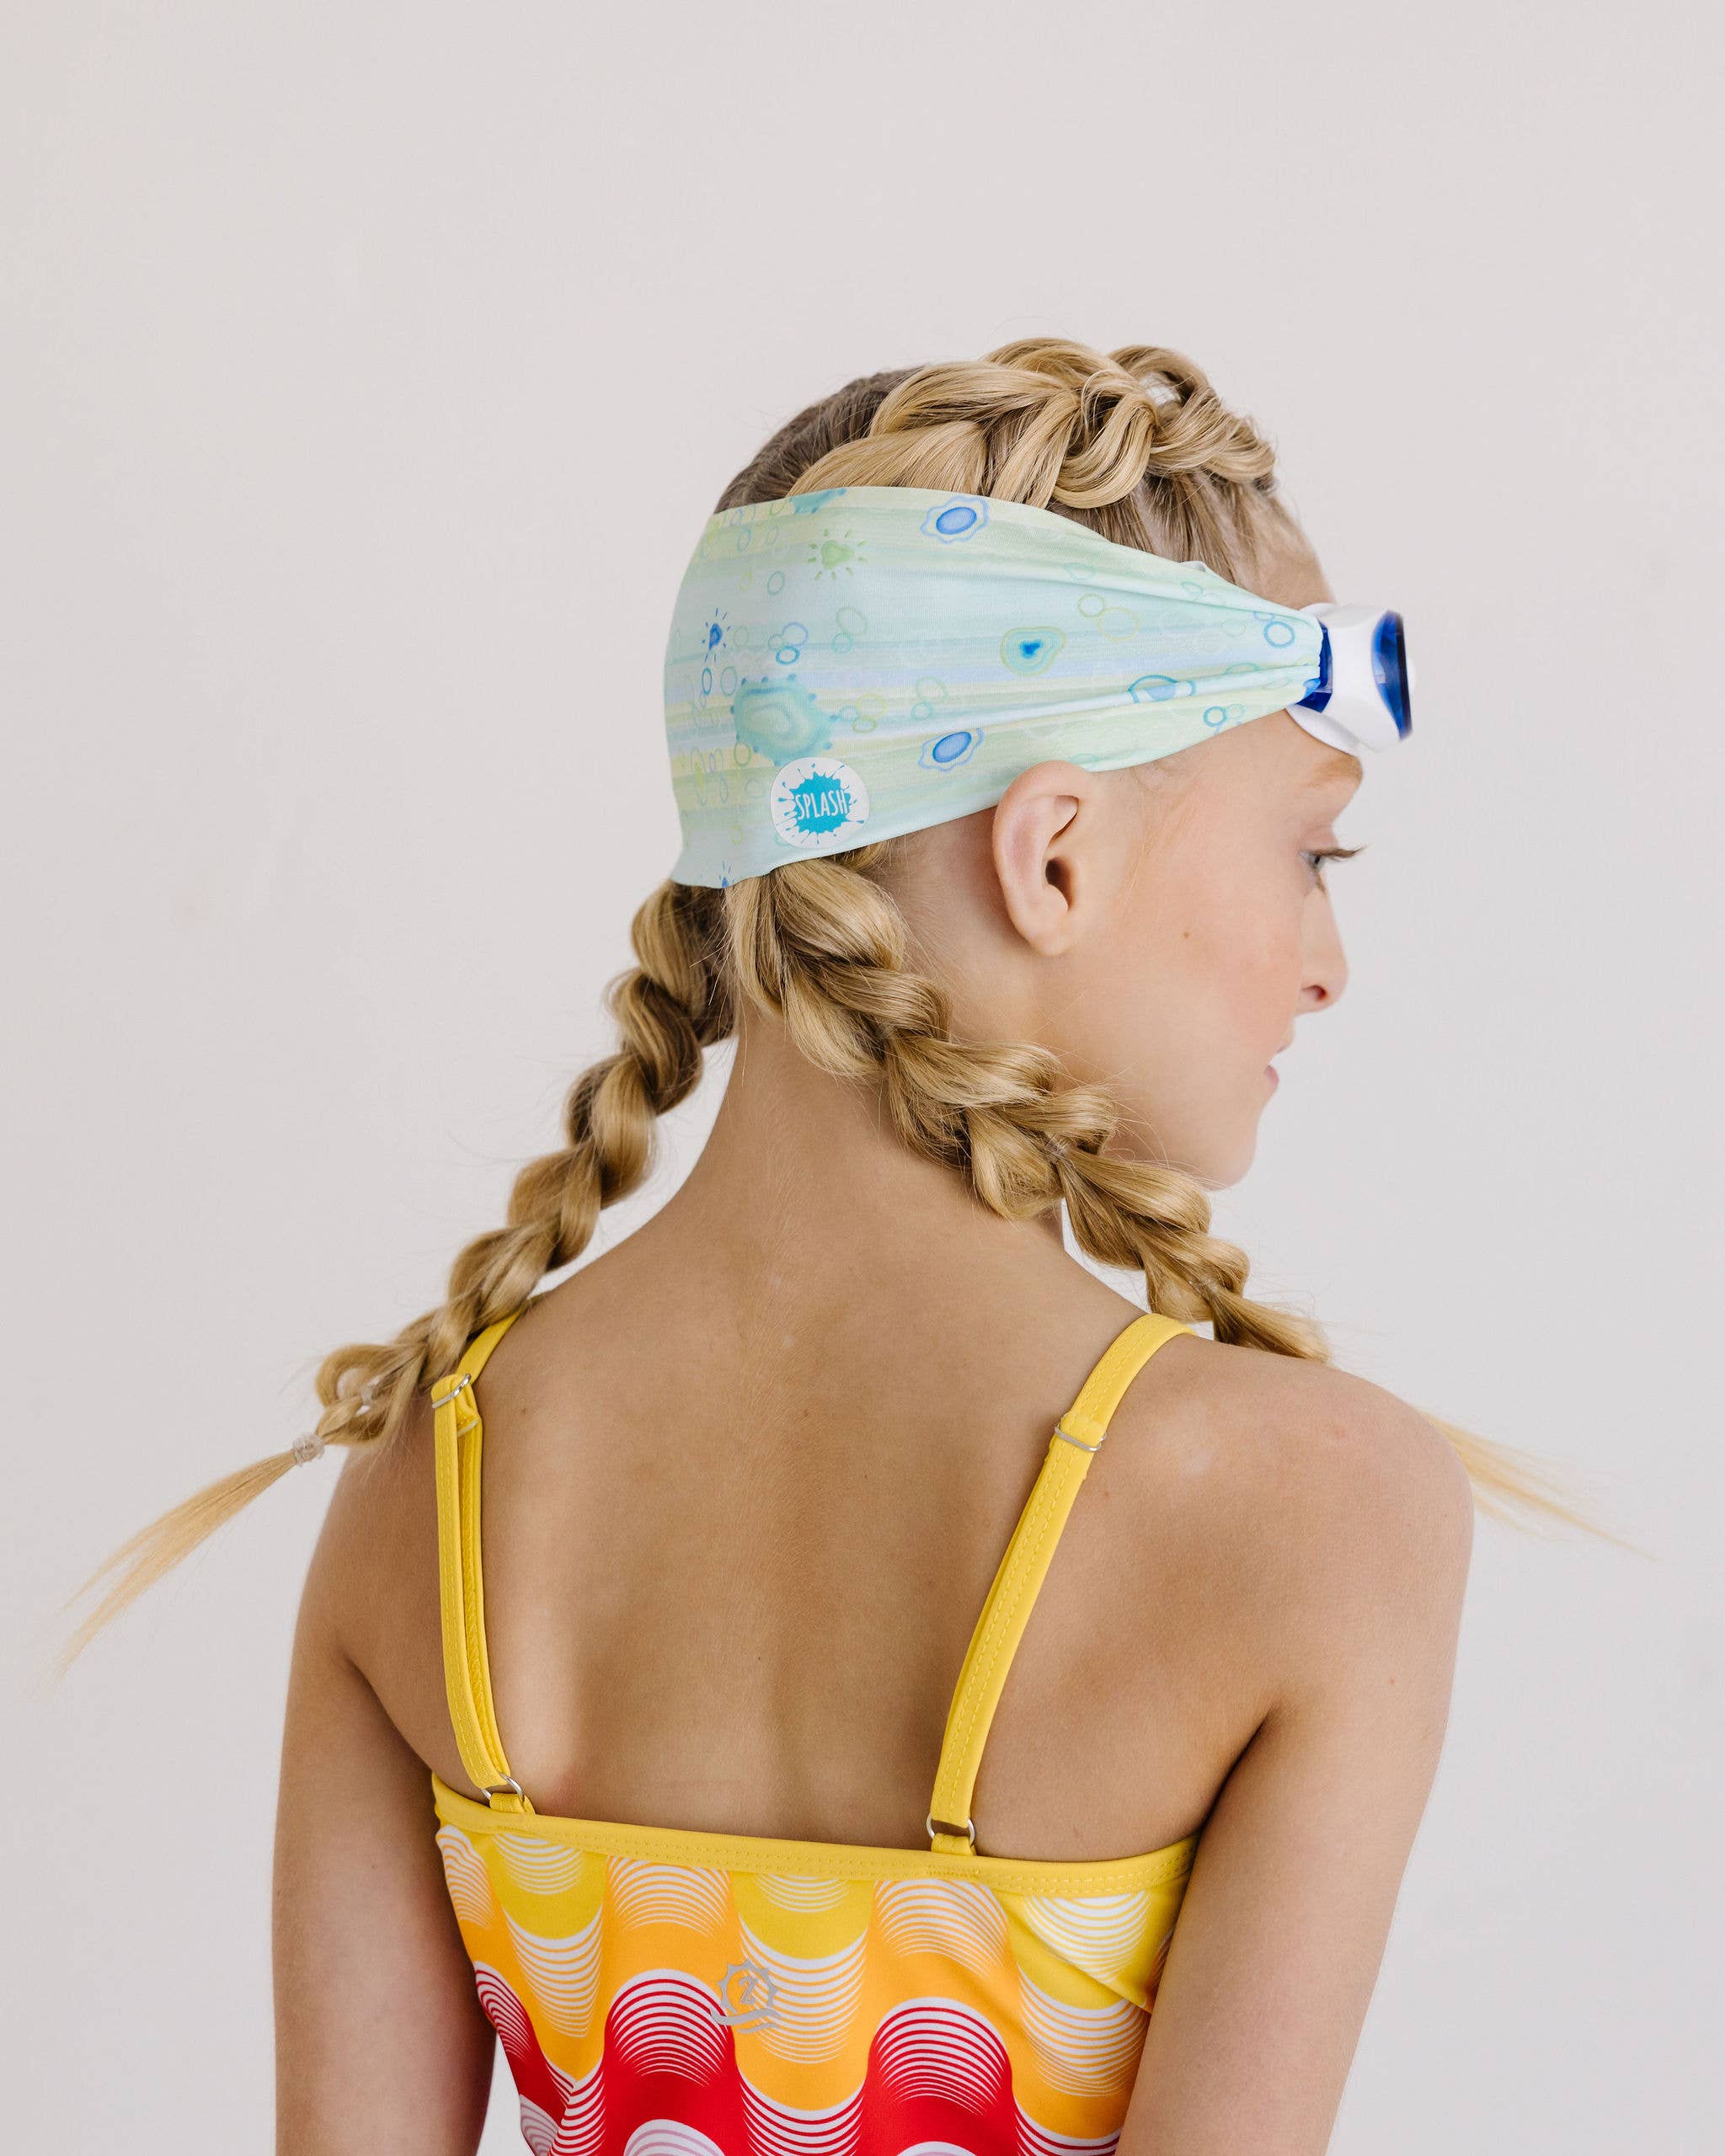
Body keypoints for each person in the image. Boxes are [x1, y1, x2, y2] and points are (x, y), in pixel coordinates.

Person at [61, 339, 1613, 2154]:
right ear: (1052, 857)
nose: (1328, 964)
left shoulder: (432, 1479)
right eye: (1314, 854)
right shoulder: (1311, 1508)